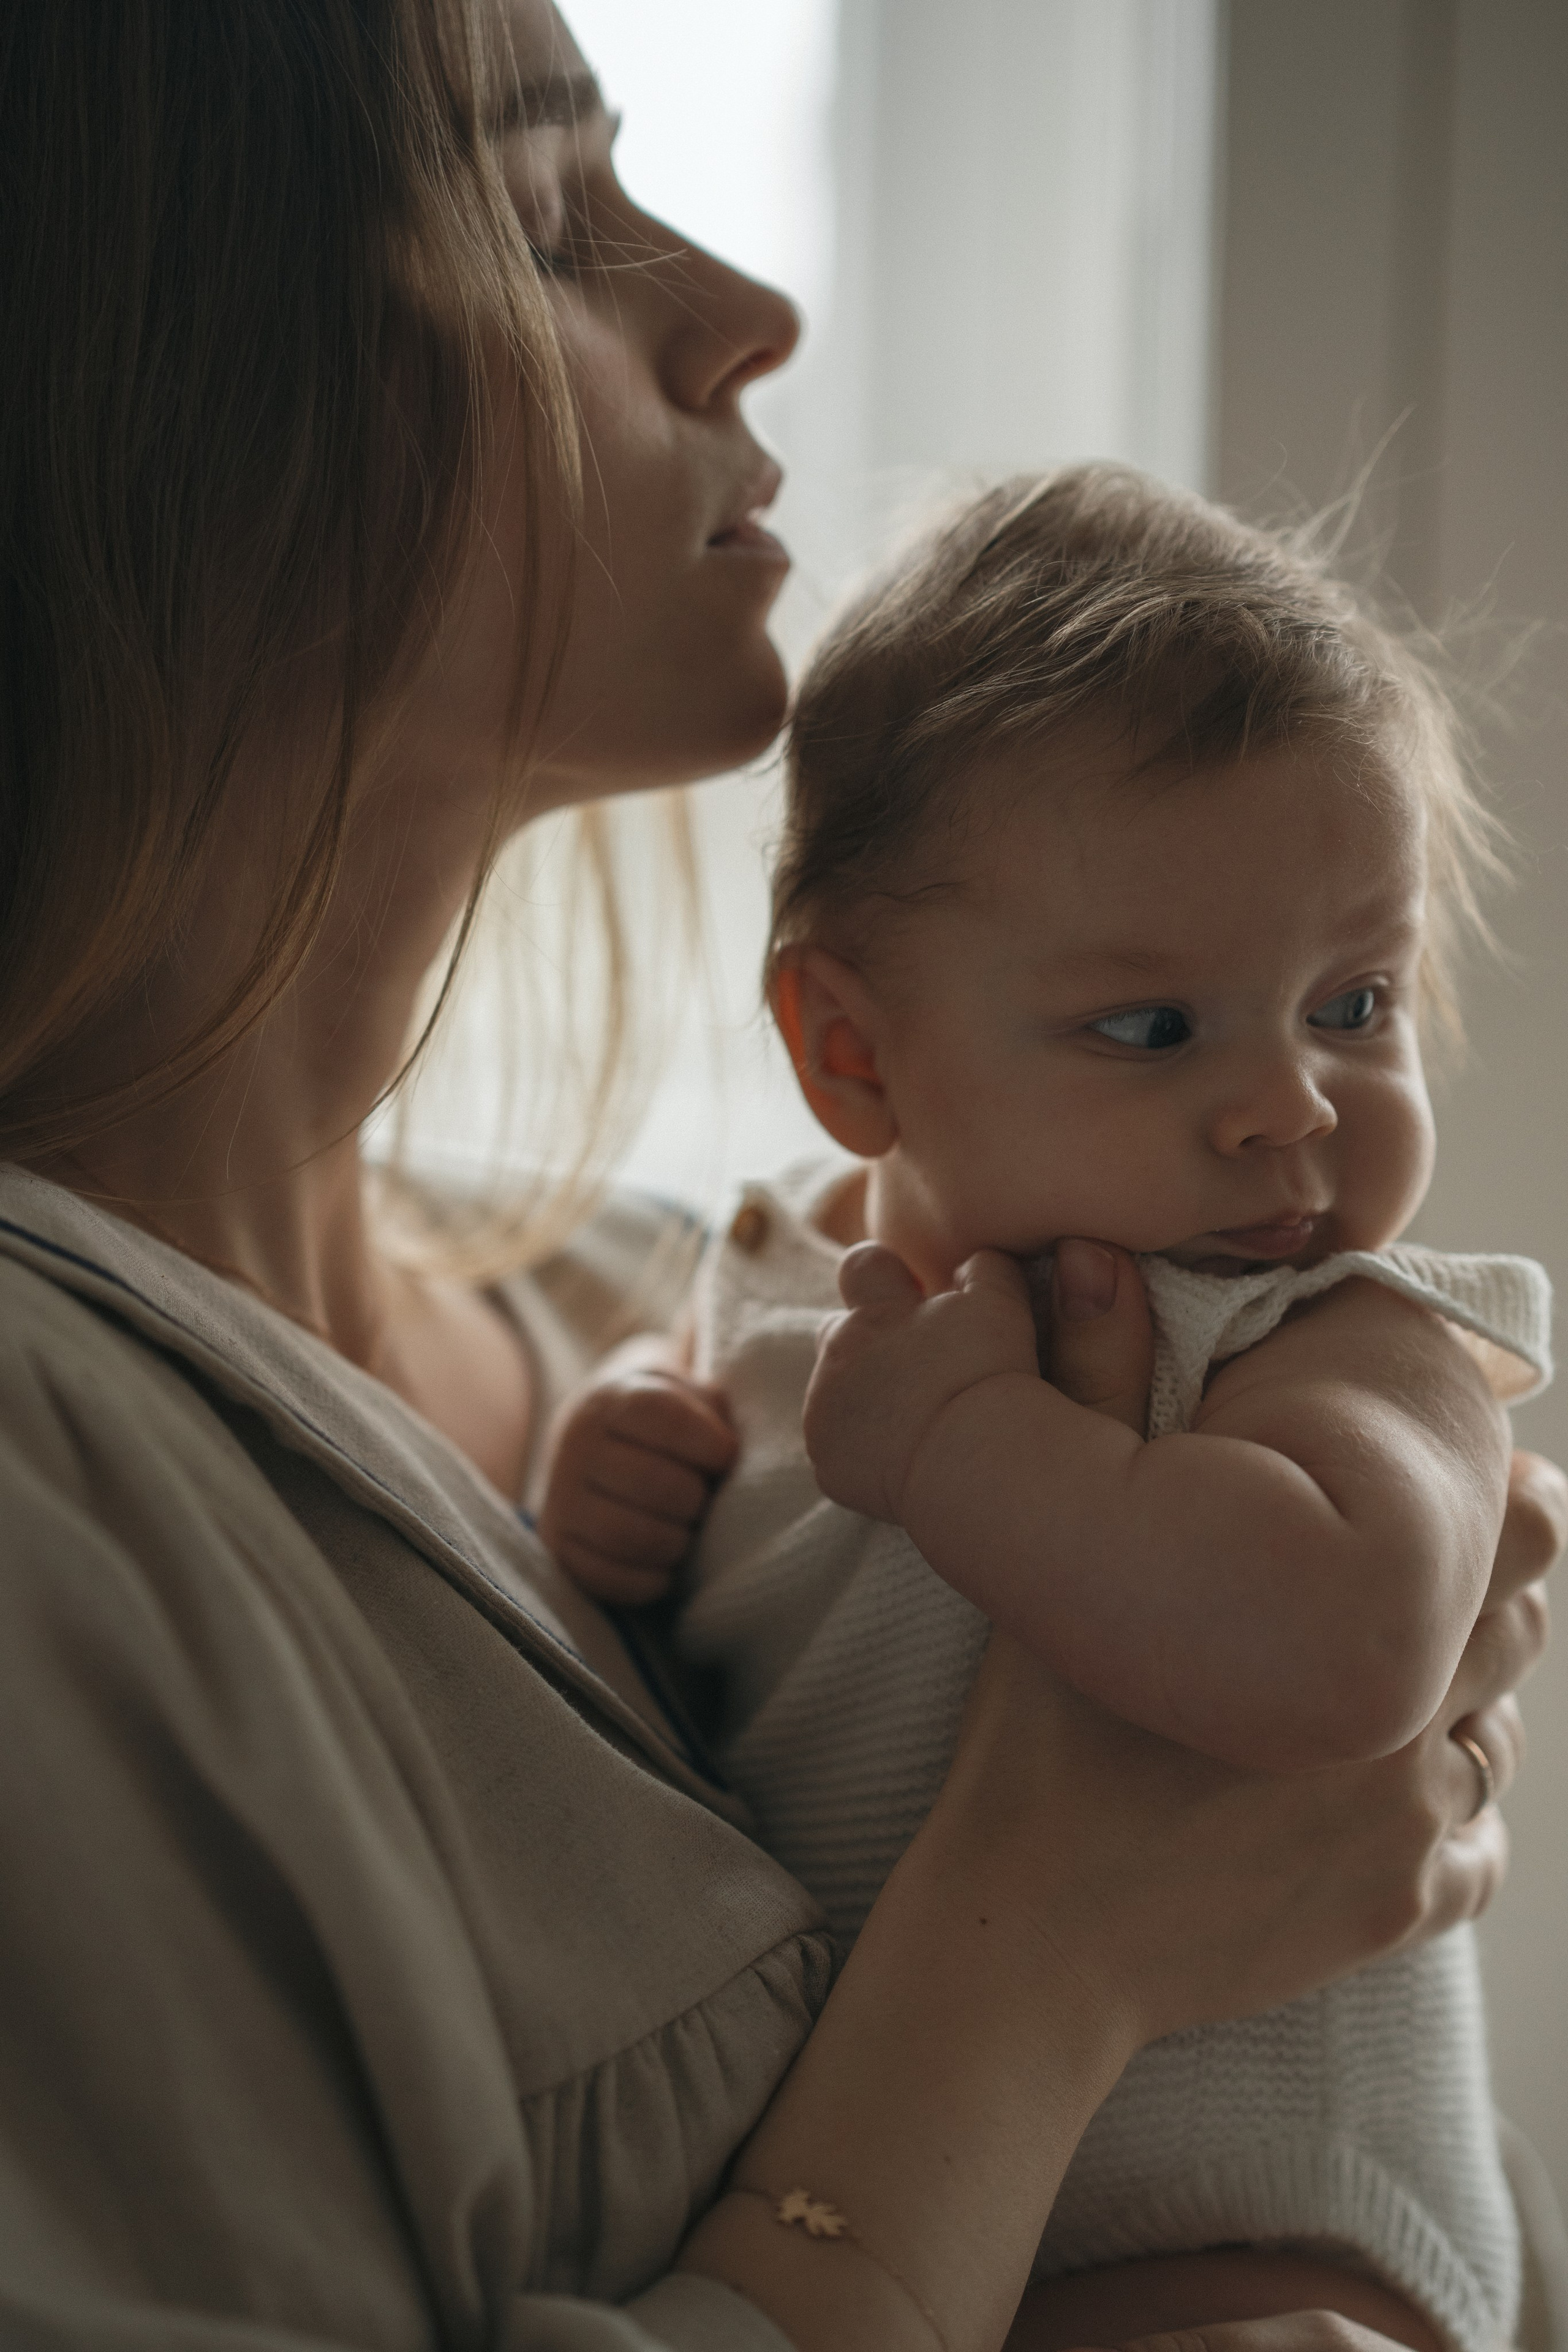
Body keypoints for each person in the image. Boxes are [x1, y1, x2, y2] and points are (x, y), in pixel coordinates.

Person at [0, 7, 1558, 2351]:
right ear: (142, 383)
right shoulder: (66, 1487)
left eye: (1353, 1005)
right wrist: (1057, 1939)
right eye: (550, 225)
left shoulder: (693, 1309)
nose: (751, 311)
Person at [538, 467, 1555, 2352]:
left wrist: (973, 1457)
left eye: (1355, 1004)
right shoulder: (782, 1270)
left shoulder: (1321, 1321)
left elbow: (1353, 1646)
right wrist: (620, 1441)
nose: (1292, 1106)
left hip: (1265, 2256)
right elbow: (738, 1441)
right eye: (1155, 1028)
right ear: (855, 1054)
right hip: (906, 2221)